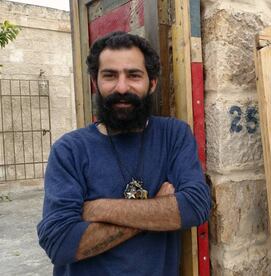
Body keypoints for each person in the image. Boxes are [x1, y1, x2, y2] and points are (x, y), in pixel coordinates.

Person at [37, 31, 211, 275]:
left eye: (133, 75)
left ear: (152, 83)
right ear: (95, 83)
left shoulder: (173, 135)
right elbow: (60, 244)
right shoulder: (69, 150)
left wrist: (99, 209)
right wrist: (160, 208)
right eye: (110, 75)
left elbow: (196, 207)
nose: (121, 87)